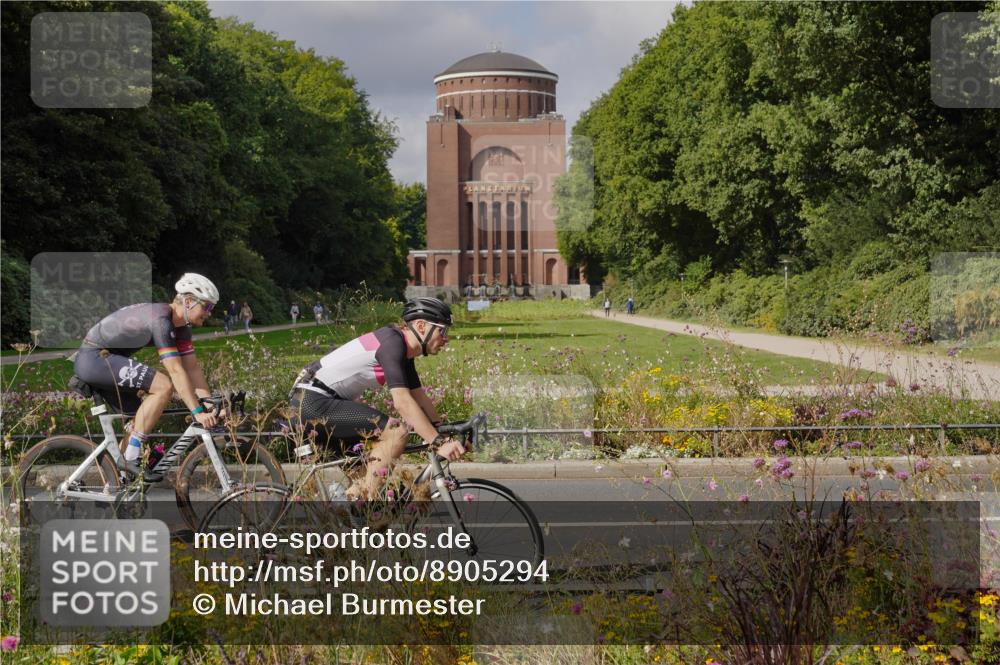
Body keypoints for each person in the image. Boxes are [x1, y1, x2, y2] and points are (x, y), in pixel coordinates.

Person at [287, 297, 465, 499]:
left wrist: (443, 431)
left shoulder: (403, 351)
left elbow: (419, 398)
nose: (446, 338)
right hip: (312, 403)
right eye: (443, 331)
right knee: (396, 433)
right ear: (421, 326)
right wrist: (438, 442)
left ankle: (346, 516)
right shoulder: (392, 344)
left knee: (369, 489)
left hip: (320, 403)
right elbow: (403, 403)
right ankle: (360, 503)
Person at [72, 273, 221, 476]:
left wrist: (211, 405)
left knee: (137, 422)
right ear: (187, 301)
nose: (210, 313)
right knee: (163, 385)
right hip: (94, 358)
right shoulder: (161, 321)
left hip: (109, 359)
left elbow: (192, 368)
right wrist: (197, 412)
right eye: (207, 307)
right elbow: (176, 370)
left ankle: (121, 482)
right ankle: (131, 457)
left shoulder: (182, 328)